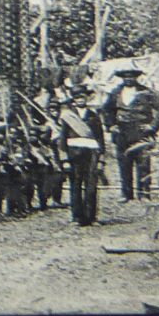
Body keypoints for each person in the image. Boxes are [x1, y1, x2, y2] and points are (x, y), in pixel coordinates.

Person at [106, 66, 159, 201]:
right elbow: (107, 110)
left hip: (141, 132)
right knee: (124, 163)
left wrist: (152, 126)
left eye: (131, 76)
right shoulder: (115, 93)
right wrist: (111, 125)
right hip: (122, 132)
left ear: (136, 78)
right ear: (122, 78)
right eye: (126, 76)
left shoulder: (146, 92)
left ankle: (144, 193)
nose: (128, 79)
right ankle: (126, 194)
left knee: (143, 163)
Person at [58, 85, 108, 226]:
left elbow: (100, 138)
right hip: (74, 155)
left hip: (91, 154)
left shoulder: (94, 116)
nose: (80, 100)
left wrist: (101, 159)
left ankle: (91, 217)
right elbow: (62, 139)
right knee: (75, 186)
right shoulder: (68, 117)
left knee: (91, 186)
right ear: (73, 100)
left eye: (82, 97)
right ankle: (77, 217)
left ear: (87, 98)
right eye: (77, 98)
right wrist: (65, 160)